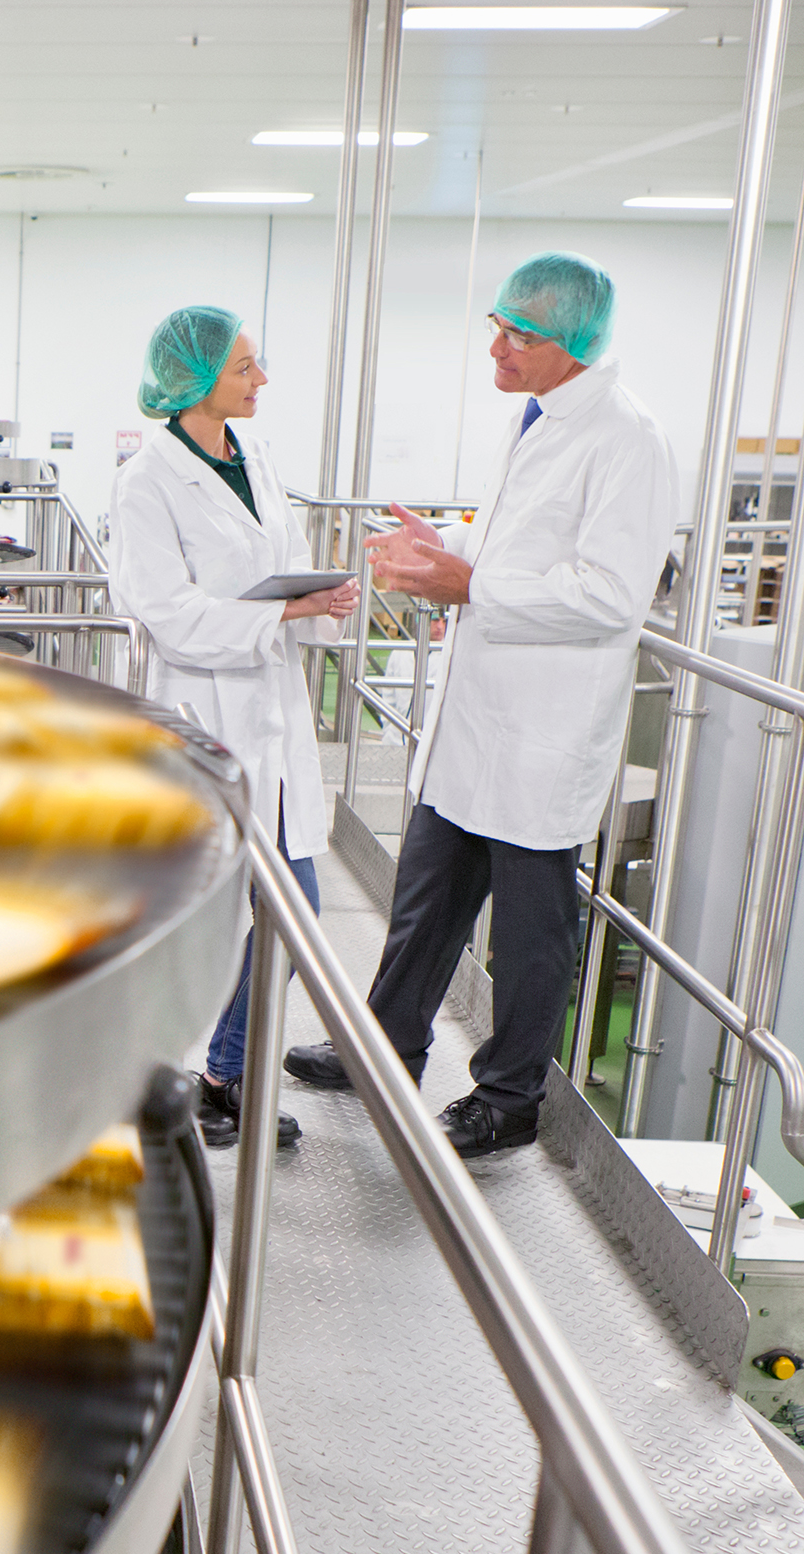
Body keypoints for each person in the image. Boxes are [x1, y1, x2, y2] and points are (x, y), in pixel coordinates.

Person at [283, 251, 678, 1158]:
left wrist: (473, 582)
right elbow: (523, 546)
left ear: (573, 346)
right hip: (475, 724)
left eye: (520, 334)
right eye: (496, 325)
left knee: (529, 936)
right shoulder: (540, 415)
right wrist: (450, 546)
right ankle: (384, 1051)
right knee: (423, 905)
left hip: (542, 734)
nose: (496, 346)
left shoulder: (627, 438)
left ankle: (507, 1098)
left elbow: (611, 597)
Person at [110, 306, 360, 1151]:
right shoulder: (147, 480)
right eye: (246, 368)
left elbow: (271, 560)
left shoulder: (254, 456)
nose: (261, 381)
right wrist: (284, 609)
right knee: (197, 922)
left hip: (270, 716)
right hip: (202, 717)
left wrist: (314, 602)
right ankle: (153, 1080)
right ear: (198, 377)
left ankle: (220, 1077)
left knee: (290, 911)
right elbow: (169, 613)